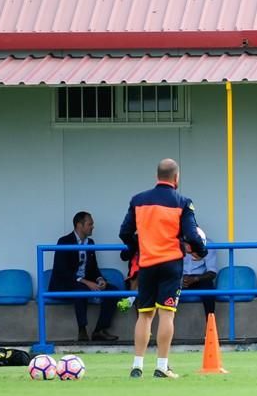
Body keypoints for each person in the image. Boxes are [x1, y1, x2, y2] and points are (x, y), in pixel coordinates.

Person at [119, 158, 207, 379]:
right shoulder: (183, 202)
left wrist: (137, 246)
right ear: (176, 178)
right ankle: (162, 366)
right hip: (171, 264)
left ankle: (137, 366)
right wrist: (199, 251)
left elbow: (124, 232)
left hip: (146, 264)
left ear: (157, 176)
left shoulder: (138, 200)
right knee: (167, 314)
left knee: (145, 314)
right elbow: (192, 234)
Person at [48, 211, 119, 342]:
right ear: (79, 225)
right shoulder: (64, 241)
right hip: (66, 283)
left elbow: (93, 268)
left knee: (113, 291)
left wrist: (99, 279)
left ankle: (99, 331)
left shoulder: (90, 243)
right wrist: (86, 282)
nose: (93, 227)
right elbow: (62, 271)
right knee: (81, 289)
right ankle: (82, 330)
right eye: (90, 224)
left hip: (84, 282)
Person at [182, 236, 217, 320]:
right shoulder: (176, 243)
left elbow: (212, 273)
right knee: (165, 287)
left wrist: (195, 279)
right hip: (179, 278)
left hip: (199, 278)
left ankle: (210, 327)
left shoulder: (207, 244)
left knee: (208, 289)